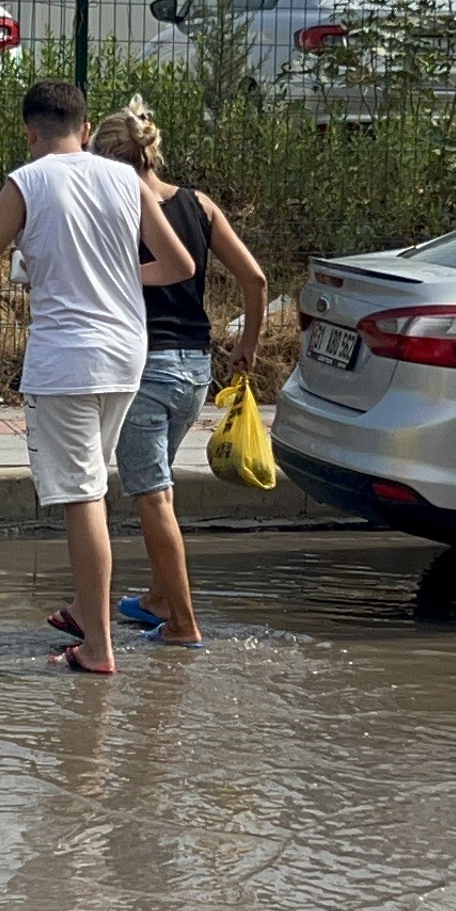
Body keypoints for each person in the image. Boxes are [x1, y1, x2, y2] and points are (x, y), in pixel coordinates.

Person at [0, 79, 195, 674]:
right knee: (91, 486)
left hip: (66, 361)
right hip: (126, 355)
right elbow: (178, 264)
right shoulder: (125, 177)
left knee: (81, 496)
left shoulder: (28, 180)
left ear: (30, 132)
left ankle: (97, 647)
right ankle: (88, 617)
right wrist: (111, 276)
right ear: (86, 130)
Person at [85, 95, 265, 647]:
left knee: (152, 496)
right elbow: (255, 281)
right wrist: (248, 350)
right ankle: (161, 597)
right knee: (159, 485)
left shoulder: (116, 209)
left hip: (143, 368)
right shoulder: (200, 205)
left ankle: (183, 624)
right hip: (193, 369)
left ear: (111, 158)